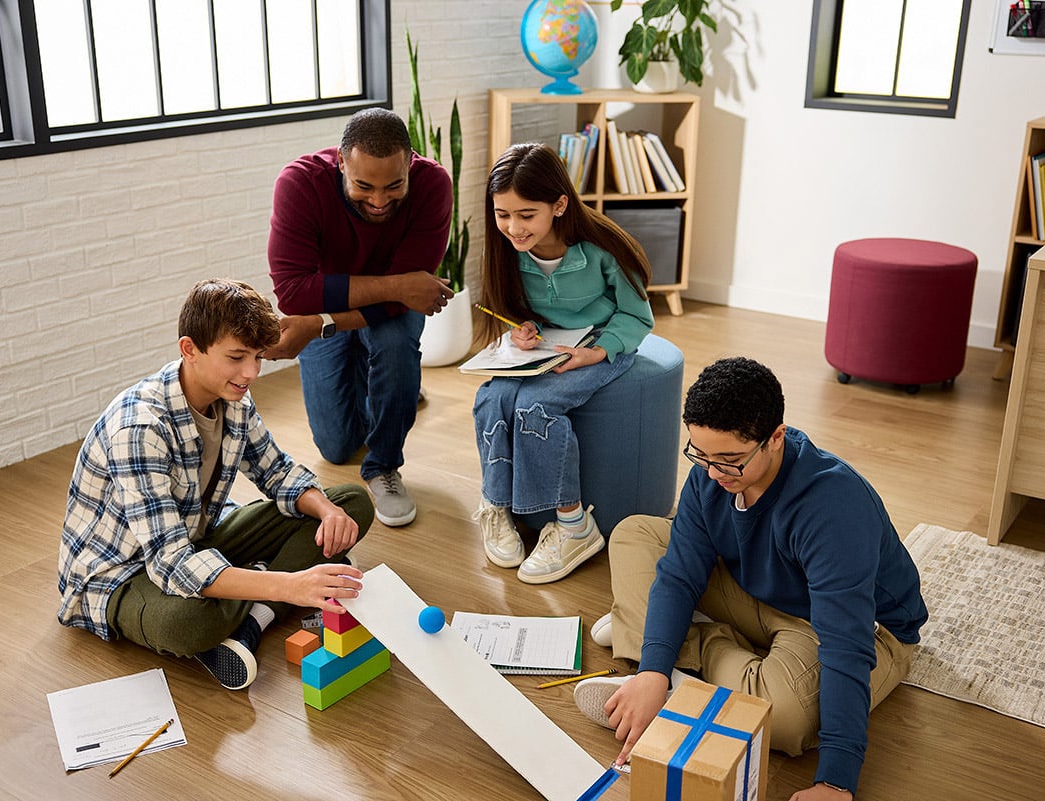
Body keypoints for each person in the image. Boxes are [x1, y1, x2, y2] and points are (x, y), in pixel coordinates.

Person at [574, 356, 928, 800]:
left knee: (784, 720)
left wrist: (836, 780)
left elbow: (846, 644)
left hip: (851, 627)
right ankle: (664, 665)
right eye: (701, 455)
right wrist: (651, 673)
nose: (714, 473)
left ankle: (676, 644)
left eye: (730, 461)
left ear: (776, 438)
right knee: (633, 535)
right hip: (755, 584)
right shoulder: (713, 472)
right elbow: (681, 573)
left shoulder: (833, 508)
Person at [57, 278, 375, 691]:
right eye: (237, 357)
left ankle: (251, 616)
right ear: (189, 349)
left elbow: (277, 472)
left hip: (197, 540)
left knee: (350, 503)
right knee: (189, 624)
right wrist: (289, 584)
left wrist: (329, 511)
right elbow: (170, 563)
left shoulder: (234, 397)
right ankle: (268, 594)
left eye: (258, 357)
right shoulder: (138, 428)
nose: (251, 373)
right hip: (121, 574)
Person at [471, 143, 655, 584]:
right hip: (548, 345)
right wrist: (523, 329)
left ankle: (574, 525)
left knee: (537, 407)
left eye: (526, 215)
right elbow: (514, 310)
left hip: (602, 343)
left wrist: (598, 350)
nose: (513, 228)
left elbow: (637, 315)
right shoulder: (506, 252)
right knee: (491, 398)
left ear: (559, 205)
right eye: (502, 214)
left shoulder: (602, 249)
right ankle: (499, 506)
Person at [265, 107, 454, 528]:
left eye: (394, 186)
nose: (379, 200)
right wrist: (396, 285)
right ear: (340, 162)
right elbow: (294, 292)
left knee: (393, 342)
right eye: (363, 186)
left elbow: (410, 300)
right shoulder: (298, 184)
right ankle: (396, 393)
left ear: (411, 162)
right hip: (330, 311)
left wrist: (322, 321)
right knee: (335, 446)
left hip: (374, 317)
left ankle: (384, 465)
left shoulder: (433, 184)